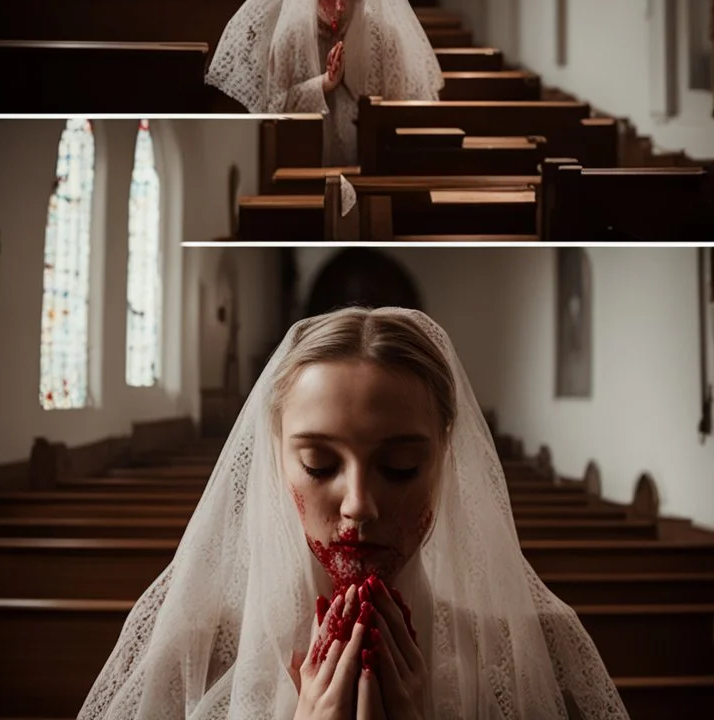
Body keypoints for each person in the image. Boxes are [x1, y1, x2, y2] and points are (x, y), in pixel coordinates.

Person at [77, 307, 630, 719]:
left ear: (444, 461)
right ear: (275, 461)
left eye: (401, 467)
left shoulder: (540, 659)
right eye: (319, 465)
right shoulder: (191, 659)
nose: (358, 504)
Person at [205, 0, 443, 165]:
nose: (341, 4)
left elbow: (397, 111)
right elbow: (274, 109)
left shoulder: (384, 35)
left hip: (371, 163)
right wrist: (324, 84)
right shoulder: (291, 34)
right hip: (301, 163)